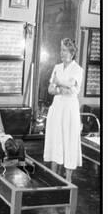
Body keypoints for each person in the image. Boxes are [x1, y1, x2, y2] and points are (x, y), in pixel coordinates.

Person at [43, 38, 83, 182]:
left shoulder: (78, 69)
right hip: (57, 107)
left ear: (72, 53)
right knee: (56, 137)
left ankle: (68, 178)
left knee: (69, 139)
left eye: (65, 50)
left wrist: (59, 83)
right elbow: (50, 89)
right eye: (61, 50)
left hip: (70, 109)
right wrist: (62, 88)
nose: (62, 53)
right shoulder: (57, 67)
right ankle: (53, 176)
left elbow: (71, 84)